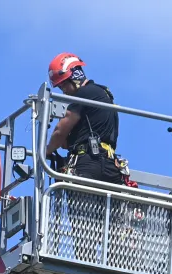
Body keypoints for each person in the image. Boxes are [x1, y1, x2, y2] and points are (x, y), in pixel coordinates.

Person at [43, 53, 125, 186]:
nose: (64, 91)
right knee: (108, 206)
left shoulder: (84, 94)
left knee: (80, 204)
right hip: (110, 166)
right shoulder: (102, 95)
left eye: (64, 85)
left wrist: (46, 151)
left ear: (74, 77)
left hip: (88, 163)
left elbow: (59, 132)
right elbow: (64, 144)